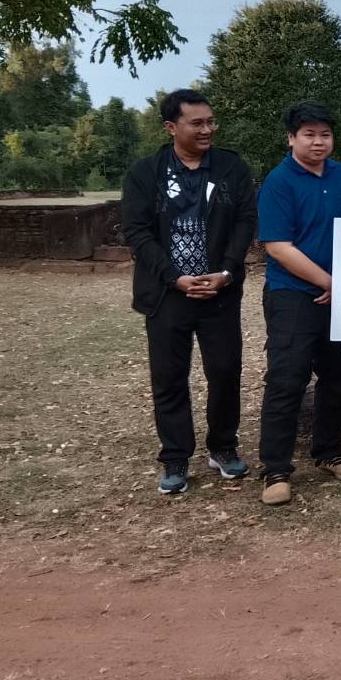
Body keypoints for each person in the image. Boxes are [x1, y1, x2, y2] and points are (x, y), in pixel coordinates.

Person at [121, 88, 256, 496]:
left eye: (211, 121)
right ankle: (175, 456)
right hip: (167, 295)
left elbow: (245, 220)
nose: (207, 129)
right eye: (197, 123)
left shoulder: (230, 168)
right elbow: (137, 232)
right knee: (169, 378)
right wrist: (172, 276)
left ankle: (223, 446)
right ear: (170, 127)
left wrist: (228, 272)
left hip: (219, 293)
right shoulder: (145, 173)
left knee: (224, 371)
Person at [255, 101, 341, 506]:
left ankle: (329, 452)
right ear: (291, 138)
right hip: (293, 295)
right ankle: (276, 469)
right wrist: (328, 281)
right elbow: (278, 246)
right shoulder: (279, 182)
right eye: (309, 135)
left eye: (325, 135)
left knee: (340, 375)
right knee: (288, 380)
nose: (318, 142)